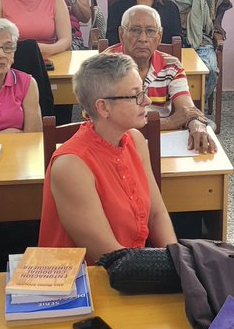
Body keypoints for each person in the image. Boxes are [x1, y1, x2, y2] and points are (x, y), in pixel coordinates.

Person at [38, 52, 177, 262]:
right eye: (135, 95)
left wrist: (179, 261)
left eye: (143, 91)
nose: (146, 100)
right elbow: (108, 256)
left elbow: (157, 215)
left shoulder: (135, 140)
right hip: (85, 281)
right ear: (103, 107)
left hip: (135, 268)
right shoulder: (72, 165)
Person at [103, 5, 215, 153]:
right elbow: (104, 124)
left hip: (162, 141)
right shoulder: (104, 66)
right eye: (135, 30)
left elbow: (186, 109)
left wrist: (196, 124)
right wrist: (170, 122)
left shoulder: (171, 65)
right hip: (112, 144)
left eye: (150, 31)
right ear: (121, 33)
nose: (143, 39)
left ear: (159, 36)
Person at [160, 0, 232, 115]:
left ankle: (193, 111)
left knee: (210, 70)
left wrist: (217, 24)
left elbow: (223, 1)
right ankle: (173, 111)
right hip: (169, 35)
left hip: (201, 36)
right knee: (161, 72)